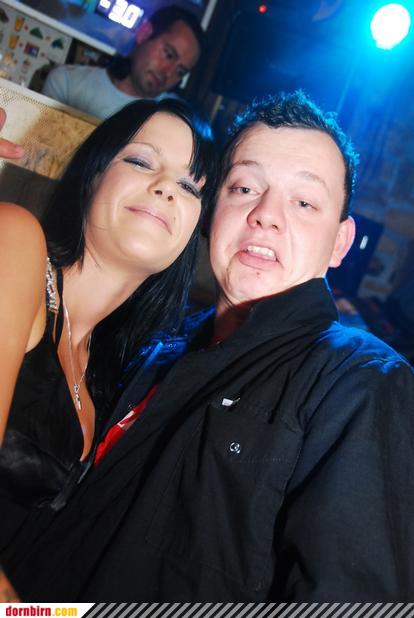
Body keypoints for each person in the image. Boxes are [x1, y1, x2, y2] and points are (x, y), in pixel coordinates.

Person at [7, 91, 414, 602]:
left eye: (304, 202)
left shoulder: (357, 381)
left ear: (340, 242)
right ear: (212, 211)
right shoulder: (149, 350)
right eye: (244, 187)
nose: (265, 215)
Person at [0, 97, 216, 599]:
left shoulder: (109, 379)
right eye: (141, 161)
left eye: (189, 186)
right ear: (92, 175)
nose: (166, 188)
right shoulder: (15, 240)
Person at [41, 6, 204, 119]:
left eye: (180, 72)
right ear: (144, 33)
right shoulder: (67, 82)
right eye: (168, 54)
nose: (168, 73)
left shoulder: (175, 118)